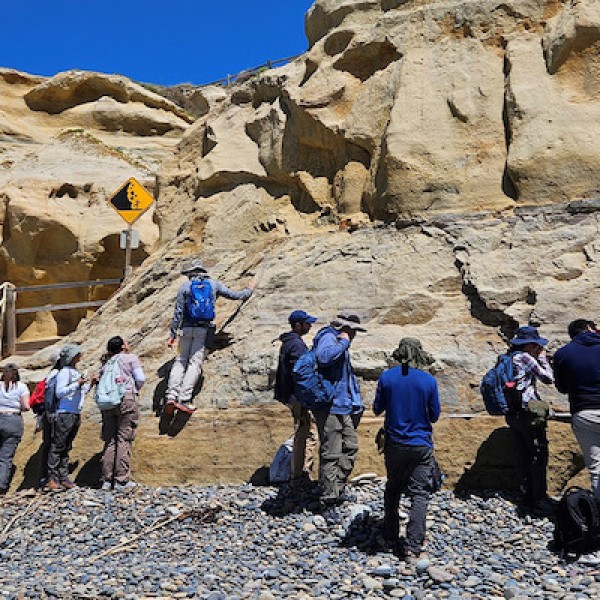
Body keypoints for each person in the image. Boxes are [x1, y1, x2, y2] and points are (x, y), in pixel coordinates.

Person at [373, 338, 440, 559]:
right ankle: (413, 545)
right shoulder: (428, 381)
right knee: (419, 493)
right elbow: (434, 415)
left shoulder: (387, 377)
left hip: (395, 443)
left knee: (393, 488)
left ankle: (390, 535)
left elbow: (377, 408)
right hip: (421, 444)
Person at [166, 260, 255, 408]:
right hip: (203, 329)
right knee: (195, 363)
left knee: (180, 361)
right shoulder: (214, 285)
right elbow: (235, 295)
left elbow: (178, 313)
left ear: (190, 274)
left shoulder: (185, 287)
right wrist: (249, 290)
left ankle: (171, 396)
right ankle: (184, 399)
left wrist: (172, 334)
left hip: (185, 329)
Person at [312, 313, 365, 506]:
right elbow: (323, 357)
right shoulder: (328, 337)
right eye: (353, 331)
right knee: (331, 452)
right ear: (346, 329)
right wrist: (343, 342)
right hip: (330, 406)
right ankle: (328, 497)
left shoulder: (338, 341)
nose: (355, 335)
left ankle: (337, 487)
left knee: (350, 446)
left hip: (343, 405)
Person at [505, 325, 555, 515]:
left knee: (522, 454)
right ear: (531, 345)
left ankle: (524, 495)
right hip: (528, 413)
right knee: (538, 454)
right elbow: (548, 378)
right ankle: (539, 499)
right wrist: (543, 359)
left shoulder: (508, 357)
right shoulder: (525, 358)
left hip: (513, 412)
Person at [553, 319, 600, 499]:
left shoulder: (563, 354)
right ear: (589, 328)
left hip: (584, 413)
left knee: (596, 468)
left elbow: (562, 388)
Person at [274, 310, 318, 481]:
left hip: (291, 396)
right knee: (307, 432)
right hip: (298, 397)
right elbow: (301, 373)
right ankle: (302, 472)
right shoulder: (297, 345)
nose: (310, 326)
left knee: (302, 431)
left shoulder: (289, 342)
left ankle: (297, 472)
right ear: (298, 325)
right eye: (307, 323)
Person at [99, 336, 146, 491]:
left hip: (107, 403)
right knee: (124, 438)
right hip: (126, 399)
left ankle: (107, 480)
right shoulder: (130, 358)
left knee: (110, 440)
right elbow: (140, 378)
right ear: (123, 346)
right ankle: (121, 480)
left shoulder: (106, 364)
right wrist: (134, 390)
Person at [45, 343, 90, 492]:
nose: (80, 356)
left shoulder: (75, 372)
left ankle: (63, 477)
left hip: (74, 412)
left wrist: (90, 384)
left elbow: (80, 392)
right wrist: (76, 384)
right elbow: (60, 392)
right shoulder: (65, 372)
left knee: (66, 446)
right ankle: (52, 478)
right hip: (64, 413)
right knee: (58, 446)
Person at [0, 364, 30, 495]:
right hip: (13, 420)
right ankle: (1, 487)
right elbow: (26, 406)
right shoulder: (22, 387)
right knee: (5, 458)